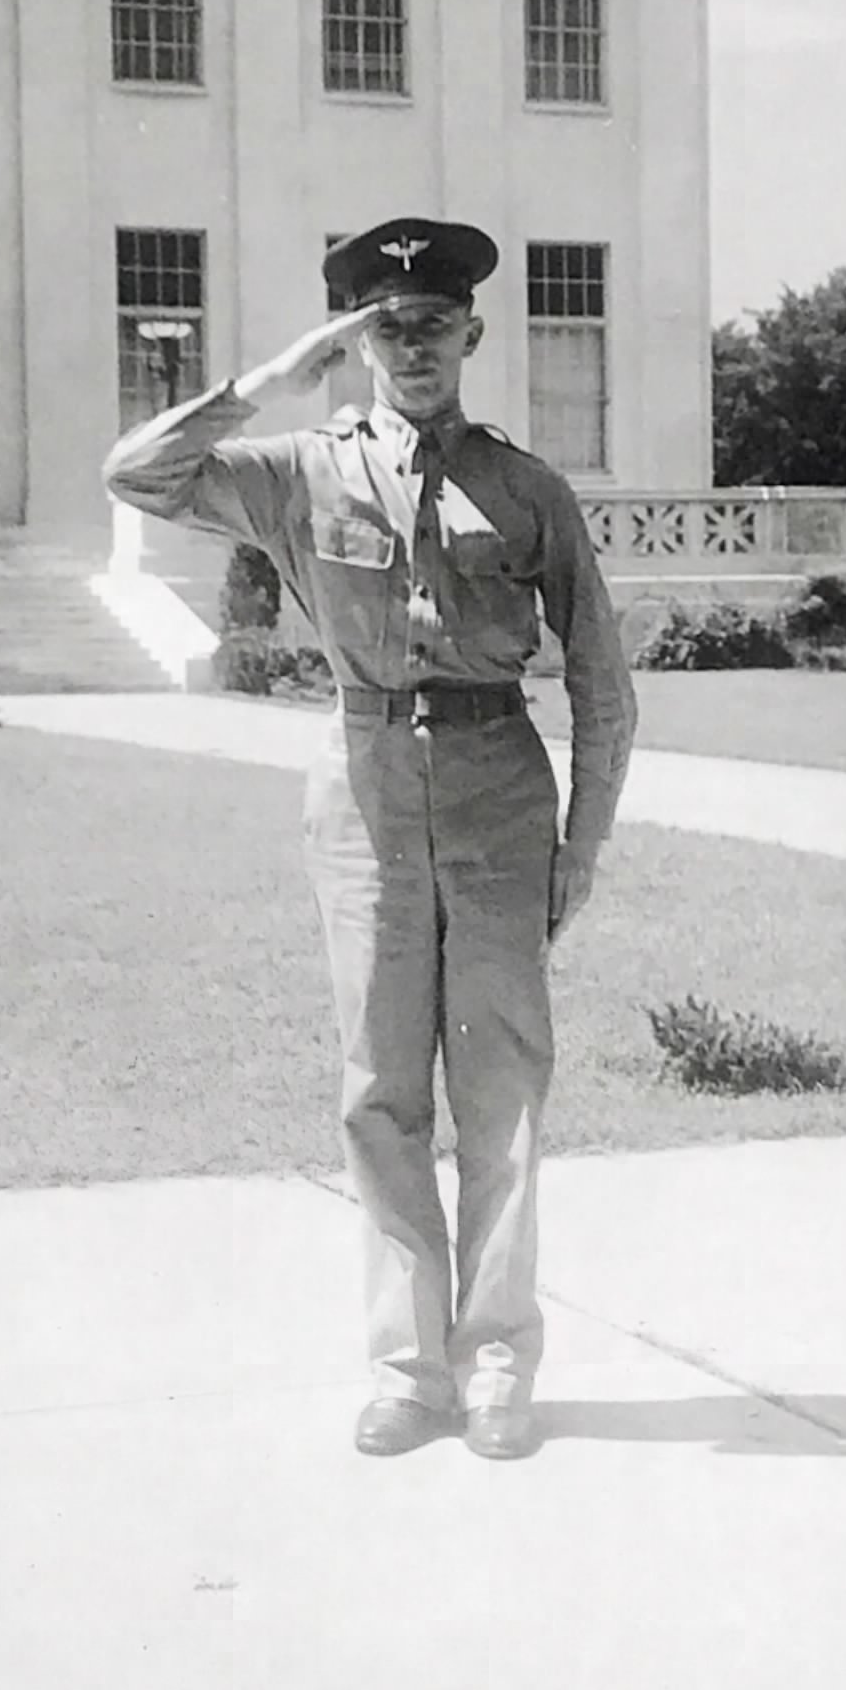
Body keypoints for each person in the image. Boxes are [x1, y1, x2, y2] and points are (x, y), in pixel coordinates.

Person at [103, 217, 636, 1461]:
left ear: (472, 333)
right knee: (380, 1091)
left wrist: (585, 845)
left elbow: (603, 686)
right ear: (358, 341)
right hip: (364, 787)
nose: (414, 349)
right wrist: (273, 380)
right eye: (385, 330)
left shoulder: (527, 488)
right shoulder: (300, 470)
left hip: (501, 785)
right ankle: (409, 1369)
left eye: (434, 326)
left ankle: (497, 1358)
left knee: (502, 1087)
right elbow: (135, 474)